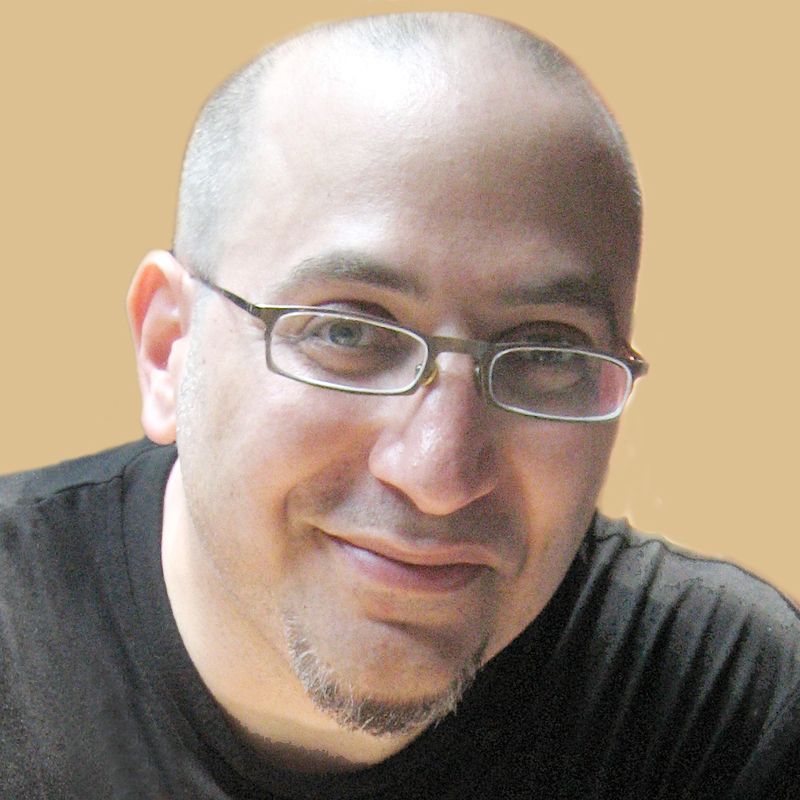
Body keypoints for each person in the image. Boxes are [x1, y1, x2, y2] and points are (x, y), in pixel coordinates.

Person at [1, 12, 797, 799]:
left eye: (547, 354)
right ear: (169, 349)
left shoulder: (720, 706)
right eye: (347, 333)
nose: (438, 475)